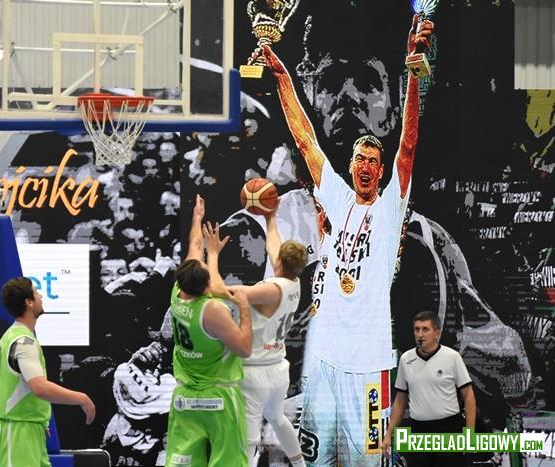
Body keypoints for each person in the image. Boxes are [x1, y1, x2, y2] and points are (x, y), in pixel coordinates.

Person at [260, 14, 434, 466]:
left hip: (370, 366)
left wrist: (415, 72)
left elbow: (409, 145)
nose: (366, 166)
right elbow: (305, 139)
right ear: (352, 165)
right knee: (315, 461)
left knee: (368, 463)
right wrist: (281, 75)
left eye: (374, 161)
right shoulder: (337, 199)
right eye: (360, 159)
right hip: (323, 360)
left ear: (381, 170)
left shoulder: (390, 206)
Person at [165, 194, 252, 467]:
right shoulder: (212, 310)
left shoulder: (177, 293)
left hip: (185, 398)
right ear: (206, 287)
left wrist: (197, 219)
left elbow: (194, 246)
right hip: (218, 397)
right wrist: (244, 309)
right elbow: (244, 349)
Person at [227, 200, 308, 467]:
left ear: (280, 262)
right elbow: (274, 246)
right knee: (277, 418)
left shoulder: (271, 290)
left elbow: (233, 292)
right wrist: (270, 218)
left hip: (256, 371)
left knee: (248, 436)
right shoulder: (293, 282)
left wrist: (212, 257)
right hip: (277, 368)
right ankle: (300, 465)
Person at [0, 277, 96, 467]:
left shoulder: (15, 336)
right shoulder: (23, 342)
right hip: (19, 433)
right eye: (36, 293)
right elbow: (40, 387)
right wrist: (82, 398)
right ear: (29, 302)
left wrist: (38, 421)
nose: (41, 296)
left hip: (29, 430)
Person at [382, 311, 476, 466]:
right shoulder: (406, 359)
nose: (420, 334)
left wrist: (470, 434)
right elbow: (400, 401)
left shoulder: (452, 357)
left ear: (437, 333)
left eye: (425, 329)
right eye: (417, 329)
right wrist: (388, 434)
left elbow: (469, 396)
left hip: (449, 429)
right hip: (419, 431)